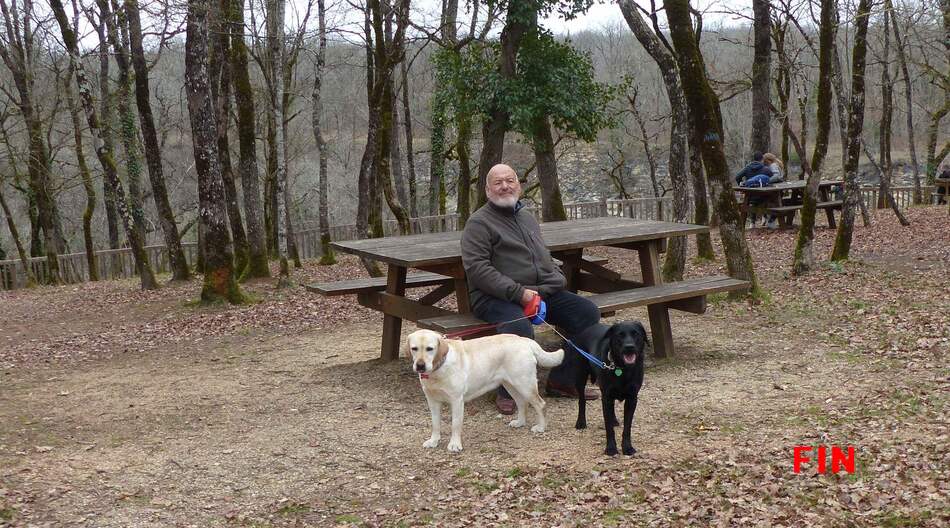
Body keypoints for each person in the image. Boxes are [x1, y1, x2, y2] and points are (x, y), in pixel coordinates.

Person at [460, 164, 601, 415]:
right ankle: (509, 391)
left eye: (510, 180)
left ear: (519, 185)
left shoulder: (526, 217)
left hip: (540, 292)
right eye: (498, 182)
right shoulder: (478, 223)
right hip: (494, 297)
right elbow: (478, 270)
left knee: (586, 311)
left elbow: (542, 258)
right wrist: (519, 293)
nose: (505, 186)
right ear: (487, 189)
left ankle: (563, 381)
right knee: (519, 327)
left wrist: (555, 279)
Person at [735, 152, 774, 225]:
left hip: (750, 195)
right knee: (769, 199)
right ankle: (765, 217)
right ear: (762, 160)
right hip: (763, 195)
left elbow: (737, 177)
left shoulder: (747, 168)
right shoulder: (765, 169)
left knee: (751, 202)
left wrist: (741, 185)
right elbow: (772, 178)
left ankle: (752, 223)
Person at [762, 153, 785, 228]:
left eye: (765, 161)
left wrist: (767, 181)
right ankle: (769, 220)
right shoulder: (778, 163)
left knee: (766, 201)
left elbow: (776, 176)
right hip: (780, 187)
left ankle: (770, 220)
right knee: (775, 203)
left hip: (775, 188)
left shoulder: (773, 165)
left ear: (768, 160)